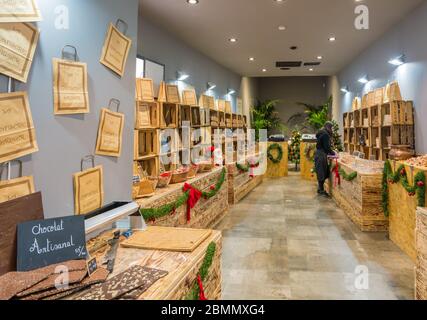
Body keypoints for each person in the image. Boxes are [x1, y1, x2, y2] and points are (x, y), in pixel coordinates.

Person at [314, 121, 336, 197]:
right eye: (331, 127)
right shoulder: (325, 134)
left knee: (321, 171)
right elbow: (327, 148)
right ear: (328, 127)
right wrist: (334, 153)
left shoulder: (321, 133)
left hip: (318, 153)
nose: (332, 129)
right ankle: (321, 190)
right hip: (321, 154)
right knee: (322, 171)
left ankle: (320, 189)